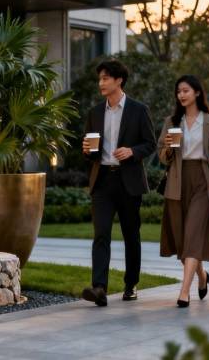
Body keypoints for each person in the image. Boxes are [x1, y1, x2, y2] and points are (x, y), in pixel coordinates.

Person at [81, 59, 156, 306]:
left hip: (128, 182)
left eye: (105, 78)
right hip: (102, 180)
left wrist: (132, 151)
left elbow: (150, 144)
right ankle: (99, 288)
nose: (100, 83)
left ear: (119, 80)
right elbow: (91, 149)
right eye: (100, 79)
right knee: (101, 233)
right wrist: (87, 150)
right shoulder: (94, 112)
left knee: (131, 235)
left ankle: (131, 284)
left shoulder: (138, 110)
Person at [158, 75, 209, 308]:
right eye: (178, 92)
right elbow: (162, 157)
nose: (181, 95)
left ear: (196, 92)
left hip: (203, 181)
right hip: (177, 181)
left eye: (185, 90)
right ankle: (202, 276)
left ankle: (184, 292)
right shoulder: (172, 121)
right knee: (182, 240)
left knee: (194, 234)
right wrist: (168, 147)